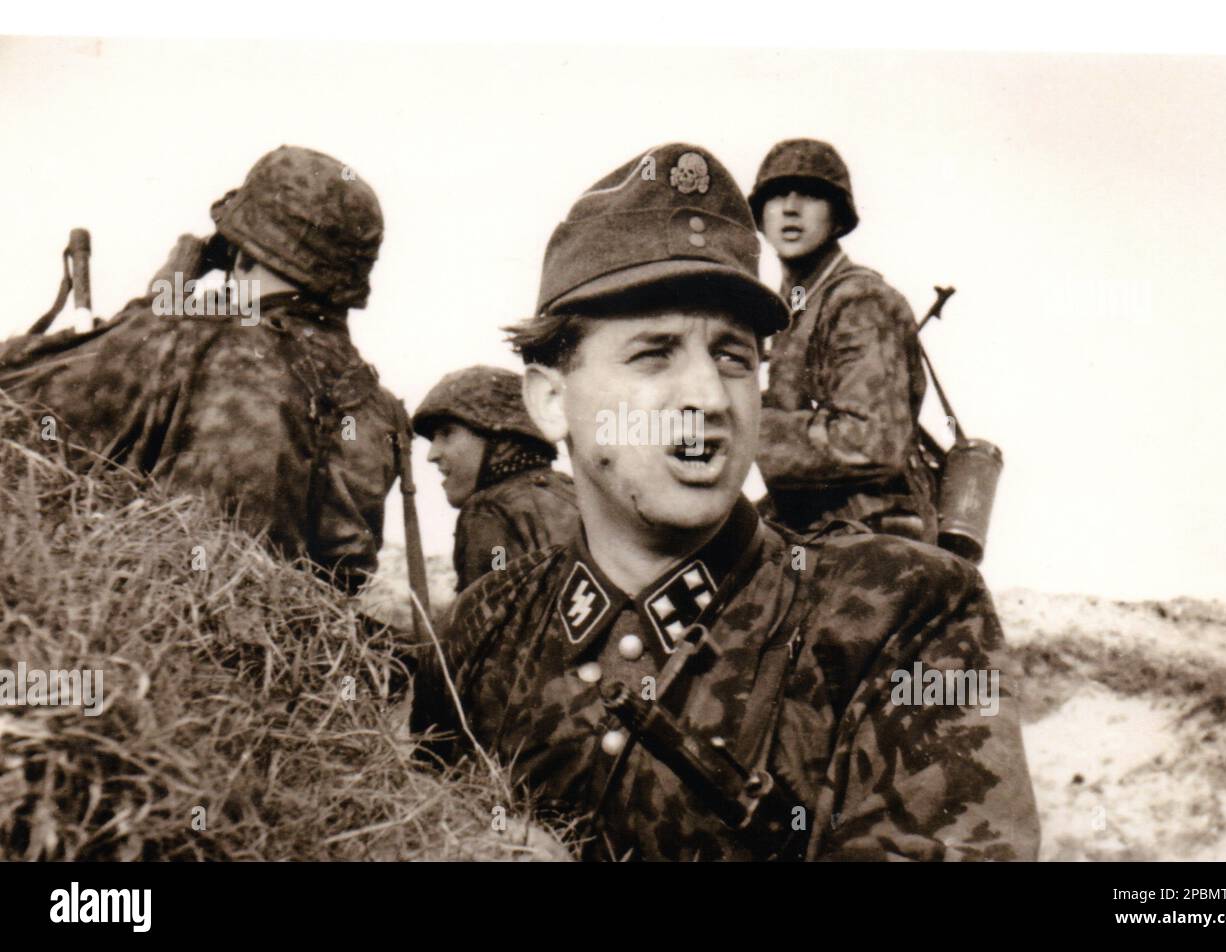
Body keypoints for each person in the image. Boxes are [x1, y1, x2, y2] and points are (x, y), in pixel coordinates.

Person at [410, 143, 1039, 861]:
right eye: (654, 354)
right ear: (553, 401)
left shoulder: (902, 617)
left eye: (734, 357)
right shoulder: (477, 634)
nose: (709, 398)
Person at [0, 146, 405, 595]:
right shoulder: (378, 405)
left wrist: (158, 306)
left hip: (166, 634)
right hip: (299, 653)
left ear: (238, 251)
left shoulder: (194, 339)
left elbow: (19, 389)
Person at [749, 138, 939, 542]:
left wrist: (741, 428)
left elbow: (869, 443)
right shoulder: (795, 306)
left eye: (812, 194)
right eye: (777, 194)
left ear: (838, 217)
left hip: (875, 537)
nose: (791, 207)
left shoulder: (860, 301)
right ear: (761, 216)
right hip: (818, 528)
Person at [412, 365, 579, 593]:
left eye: (447, 433)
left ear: (501, 440)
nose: (433, 454)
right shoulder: (573, 494)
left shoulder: (487, 509)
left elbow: (488, 620)